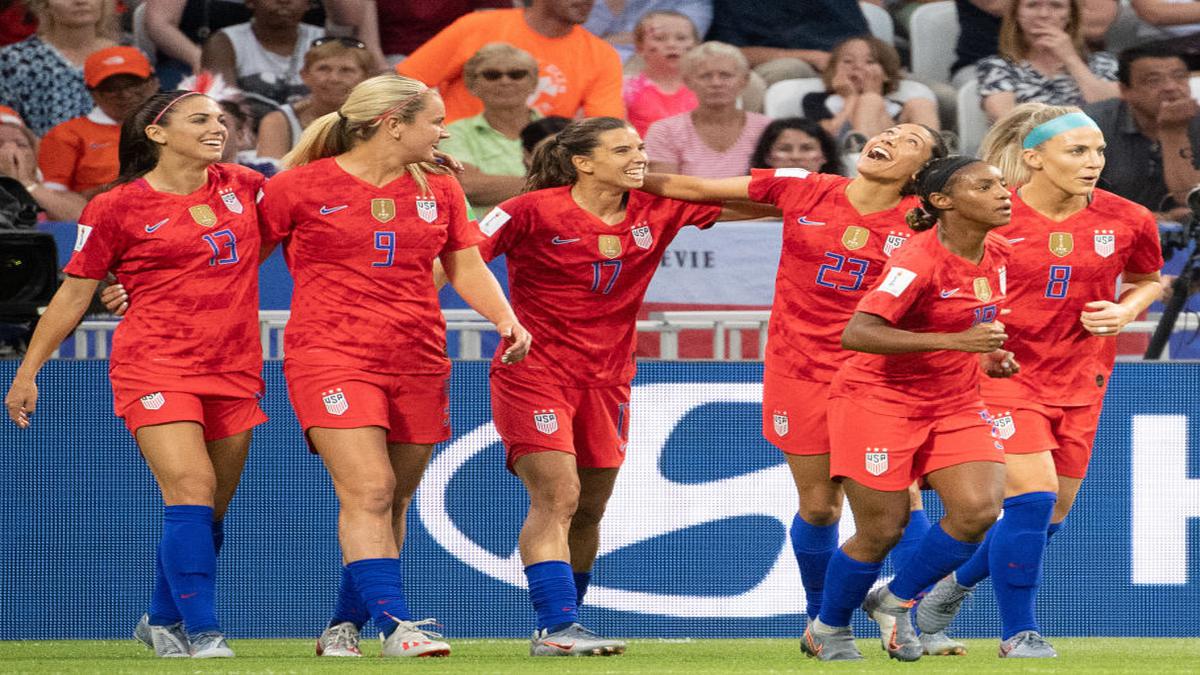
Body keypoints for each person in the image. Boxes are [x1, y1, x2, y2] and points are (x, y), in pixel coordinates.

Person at [640, 124, 973, 657]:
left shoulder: (924, 225)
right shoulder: (805, 187)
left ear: (922, 171)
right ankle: (822, 621)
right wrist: (628, 173)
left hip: (879, 377)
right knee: (820, 507)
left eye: (910, 139)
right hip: (801, 371)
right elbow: (697, 189)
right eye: (889, 129)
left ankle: (904, 619)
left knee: (902, 500)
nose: (889, 136)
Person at [476, 116, 775, 656]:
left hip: (609, 380)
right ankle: (555, 628)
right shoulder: (528, 210)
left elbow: (758, 205)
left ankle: (571, 622)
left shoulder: (655, 208)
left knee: (589, 508)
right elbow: (458, 260)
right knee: (557, 495)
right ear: (582, 162)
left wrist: (822, 199)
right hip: (533, 373)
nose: (640, 155)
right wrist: (474, 316)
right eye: (623, 149)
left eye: (640, 146)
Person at [257, 73, 531, 658]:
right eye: (434, 119)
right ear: (393, 123)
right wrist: (142, 292)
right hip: (329, 355)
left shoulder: (440, 187)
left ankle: (342, 625)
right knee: (370, 488)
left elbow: (464, 266)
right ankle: (397, 625)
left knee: (393, 499)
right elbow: (232, 262)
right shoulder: (297, 187)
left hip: (417, 356)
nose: (444, 130)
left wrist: (504, 318)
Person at [5, 90, 268, 658]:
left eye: (221, 120)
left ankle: (161, 618)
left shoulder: (244, 186)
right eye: (200, 119)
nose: (216, 127)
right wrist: (28, 372)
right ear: (156, 132)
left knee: (207, 508)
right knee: (191, 488)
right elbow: (73, 295)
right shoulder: (115, 206)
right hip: (154, 364)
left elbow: (313, 192)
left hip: (234, 365)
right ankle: (204, 633)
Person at [914, 104, 1164, 658]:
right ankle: (1018, 634)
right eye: (1077, 151)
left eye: (1099, 150)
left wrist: (1127, 311)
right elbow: (944, 279)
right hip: (1003, 373)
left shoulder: (1129, 218)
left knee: (1049, 515)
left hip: (1082, 376)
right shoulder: (991, 215)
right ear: (1034, 159)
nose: (1094, 161)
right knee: (1033, 497)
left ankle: (938, 592)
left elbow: (1148, 279)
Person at [803, 155, 1016, 662]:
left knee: (980, 510)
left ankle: (894, 600)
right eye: (986, 186)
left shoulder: (999, 251)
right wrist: (957, 340)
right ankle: (827, 628)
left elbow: (971, 323)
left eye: (1002, 185)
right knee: (882, 528)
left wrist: (987, 353)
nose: (1003, 193)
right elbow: (858, 332)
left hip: (954, 400)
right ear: (943, 202)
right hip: (878, 401)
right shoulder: (916, 262)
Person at [396, 0, 625, 124]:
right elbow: (404, 84)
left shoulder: (602, 54)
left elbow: (605, 127)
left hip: (535, 161)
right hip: (458, 154)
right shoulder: (478, 26)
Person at [37, 46, 159, 220]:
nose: (125, 94)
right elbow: (50, 200)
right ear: (93, 94)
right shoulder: (66, 134)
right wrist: (104, 191)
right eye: (111, 88)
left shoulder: (181, 126)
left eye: (134, 83)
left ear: (153, 83)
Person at [1083, 44, 1200, 218]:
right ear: (1125, 90)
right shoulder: (1089, 125)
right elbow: (1065, 203)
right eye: (1154, 81)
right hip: (1108, 232)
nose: (1171, 87)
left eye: (1180, 77)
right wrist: (1155, 219)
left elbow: (1191, 198)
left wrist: (1174, 133)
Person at [437, 42, 541, 218]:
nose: (505, 81)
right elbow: (467, 184)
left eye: (517, 74)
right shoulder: (454, 133)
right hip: (483, 240)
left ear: (533, 83)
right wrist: (547, 184)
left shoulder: (561, 131)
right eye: (492, 75)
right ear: (472, 85)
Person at [976, 0, 1120, 122]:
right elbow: (1006, 122)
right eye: (1032, 5)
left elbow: (1112, 113)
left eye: (1056, 6)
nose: (1043, 14)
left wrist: (1071, 59)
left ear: (1070, 14)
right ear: (1017, 14)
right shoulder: (996, 67)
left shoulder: (1103, 62)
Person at [644, 41, 770, 178]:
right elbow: (665, 192)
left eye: (725, 75)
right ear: (688, 81)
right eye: (705, 76)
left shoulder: (767, 129)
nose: (716, 83)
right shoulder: (665, 131)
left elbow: (778, 186)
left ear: (744, 80)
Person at [0, 0, 119, 135]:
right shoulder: (15, 60)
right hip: (41, 152)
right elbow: (6, 121)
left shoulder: (126, 57)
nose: (81, 2)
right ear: (45, 5)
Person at [803, 36, 940, 145]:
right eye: (848, 61)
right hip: (848, 162)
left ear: (886, 73)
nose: (858, 67)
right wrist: (852, 98)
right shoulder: (816, 100)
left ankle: (932, 159)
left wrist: (873, 94)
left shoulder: (897, 107)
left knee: (921, 104)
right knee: (870, 100)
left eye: (870, 62)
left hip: (900, 157)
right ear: (833, 70)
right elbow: (829, 134)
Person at [200, 0, 324, 120]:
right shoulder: (223, 42)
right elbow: (224, 105)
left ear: (309, 3)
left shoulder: (323, 40)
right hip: (249, 134)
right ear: (250, 1)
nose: (284, 1)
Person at [255, 36, 373, 160]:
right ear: (304, 75)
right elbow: (269, 175)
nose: (334, 78)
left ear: (366, 77)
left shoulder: (379, 120)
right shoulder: (279, 121)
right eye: (324, 69)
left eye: (346, 70)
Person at [706, 0, 869, 85]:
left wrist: (847, 62)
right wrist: (813, 57)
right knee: (790, 69)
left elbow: (862, 38)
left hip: (839, 60)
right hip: (780, 67)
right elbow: (730, 53)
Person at [0, 103, 87, 221]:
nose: (11, 151)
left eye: (21, 144)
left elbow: (84, 219)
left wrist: (26, 184)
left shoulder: (64, 198)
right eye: (0, 144)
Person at [622, 10, 700, 137]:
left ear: (696, 46)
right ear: (639, 47)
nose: (672, 44)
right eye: (659, 38)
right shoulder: (625, 89)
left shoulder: (707, 88)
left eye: (681, 38)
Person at [585, 0, 712, 64]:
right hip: (586, 62)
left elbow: (680, 41)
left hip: (647, 67)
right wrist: (612, 5)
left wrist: (596, 42)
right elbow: (575, 32)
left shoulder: (693, 2)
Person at [749, 117, 843, 175]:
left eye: (807, 148)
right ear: (767, 157)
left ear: (825, 156)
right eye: (784, 149)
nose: (796, 156)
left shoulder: (846, 197)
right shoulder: (746, 200)